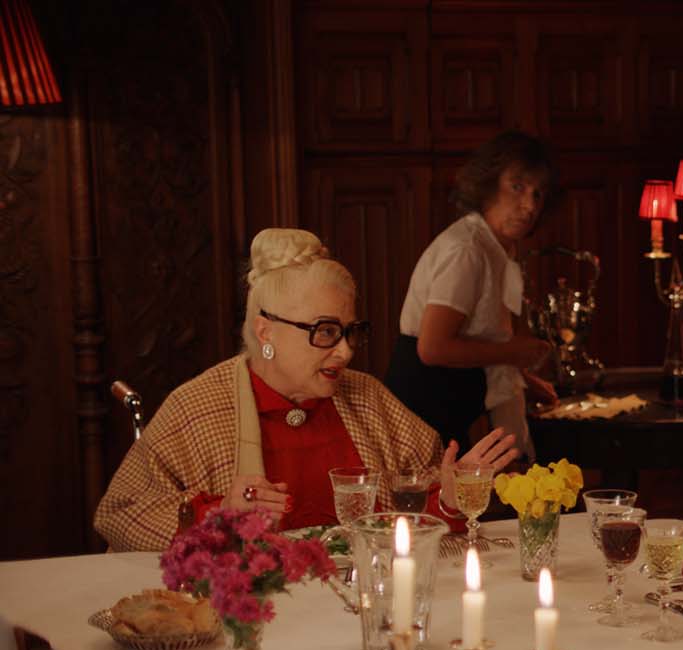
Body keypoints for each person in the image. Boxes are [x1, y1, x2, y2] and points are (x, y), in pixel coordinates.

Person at [95, 229, 520, 552]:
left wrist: (450, 498)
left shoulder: (367, 398)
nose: (346, 351)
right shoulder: (199, 406)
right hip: (251, 614)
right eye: (325, 332)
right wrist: (218, 514)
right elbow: (120, 514)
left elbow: (410, 513)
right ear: (266, 331)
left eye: (350, 332)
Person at [386, 131, 557, 457]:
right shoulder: (467, 249)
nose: (530, 205)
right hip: (422, 411)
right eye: (517, 187)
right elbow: (432, 348)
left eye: (538, 194)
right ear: (488, 184)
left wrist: (520, 378)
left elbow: (479, 338)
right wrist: (512, 352)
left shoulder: (495, 248)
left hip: (448, 410)